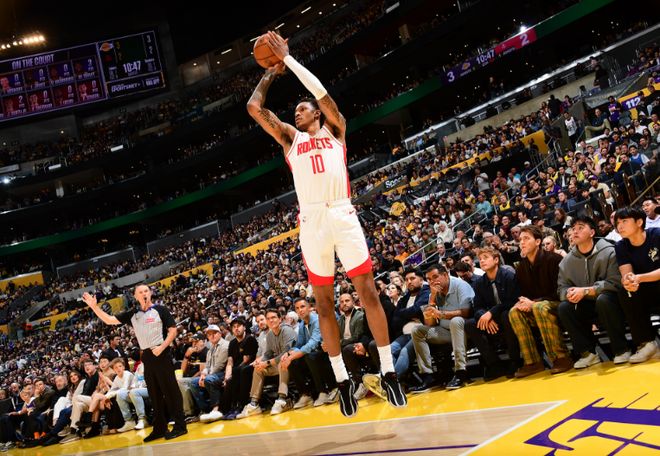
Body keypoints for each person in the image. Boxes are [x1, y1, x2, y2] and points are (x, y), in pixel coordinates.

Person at [247, 31, 405, 417]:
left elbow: (321, 94)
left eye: (302, 110)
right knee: (323, 304)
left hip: (342, 212)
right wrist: (271, 71)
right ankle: (342, 380)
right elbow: (253, 107)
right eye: (296, 112)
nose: (297, 114)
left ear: (316, 113)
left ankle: (388, 372)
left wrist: (290, 59)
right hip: (312, 219)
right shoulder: (290, 139)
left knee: (368, 292)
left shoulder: (336, 130)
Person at [82, 287, 187, 442]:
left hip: (161, 353)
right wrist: (94, 307)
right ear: (135, 296)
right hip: (147, 356)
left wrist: (162, 347)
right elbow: (109, 320)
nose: (144, 294)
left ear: (150, 293)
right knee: (154, 394)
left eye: (146, 291)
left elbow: (173, 331)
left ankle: (180, 426)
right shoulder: (133, 314)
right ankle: (160, 428)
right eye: (141, 292)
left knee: (170, 391)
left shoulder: (160, 310)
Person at [557, 216, 629, 368]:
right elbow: (561, 288)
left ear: (592, 232)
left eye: (580, 228)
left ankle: (621, 349)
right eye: (573, 229)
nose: (575, 232)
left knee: (604, 299)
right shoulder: (566, 261)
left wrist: (586, 291)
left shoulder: (609, 251)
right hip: (587, 305)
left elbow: (615, 282)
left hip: (612, 302)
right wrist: (569, 293)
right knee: (564, 307)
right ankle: (588, 353)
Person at [508, 225, 571, 377]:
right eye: (520, 239)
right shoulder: (521, 267)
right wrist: (522, 302)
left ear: (537, 242)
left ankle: (561, 357)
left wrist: (534, 302)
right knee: (514, 312)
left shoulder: (554, 259)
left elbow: (560, 291)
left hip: (559, 304)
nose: (522, 242)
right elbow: (522, 294)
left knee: (539, 307)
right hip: (537, 305)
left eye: (526, 238)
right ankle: (533, 362)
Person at [410, 264, 474, 392]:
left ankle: (461, 372)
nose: (432, 281)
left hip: (465, 330)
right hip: (446, 332)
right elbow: (429, 323)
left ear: (445, 275)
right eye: (429, 279)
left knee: (456, 321)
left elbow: (466, 312)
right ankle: (428, 376)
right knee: (417, 331)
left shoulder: (460, 285)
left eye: (435, 277)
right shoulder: (434, 292)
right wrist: (432, 298)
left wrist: (442, 314)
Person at [464, 247, 521, 380]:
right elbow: (477, 307)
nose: (482, 261)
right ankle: (494, 364)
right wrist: (485, 316)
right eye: (480, 259)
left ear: (496, 260)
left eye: (486, 258)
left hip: (508, 314)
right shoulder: (479, 283)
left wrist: (491, 313)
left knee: (506, 314)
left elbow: (513, 301)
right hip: (492, 320)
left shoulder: (508, 275)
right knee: (470, 324)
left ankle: (515, 361)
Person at [614, 207, 660, 363]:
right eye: (617, 223)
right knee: (625, 292)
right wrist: (628, 282)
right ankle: (647, 344)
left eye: (624, 221)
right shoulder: (621, 246)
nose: (620, 226)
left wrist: (639, 278)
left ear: (639, 222)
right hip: (645, 290)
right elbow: (626, 273)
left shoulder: (657, 235)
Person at [237, 308, 296, 418]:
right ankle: (254, 404)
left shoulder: (287, 330)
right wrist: (260, 361)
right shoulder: (270, 335)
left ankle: (282, 399)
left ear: (280, 319)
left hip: (294, 362)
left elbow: (286, 352)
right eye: (268, 318)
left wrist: (267, 362)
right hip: (277, 364)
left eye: (273, 317)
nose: (271, 320)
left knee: (283, 361)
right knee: (258, 369)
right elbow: (268, 353)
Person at [283, 298, 337, 409]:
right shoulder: (302, 324)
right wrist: (289, 353)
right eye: (297, 308)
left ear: (309, 308)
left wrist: (292, 356)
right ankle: (306, 394)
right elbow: (299, 344)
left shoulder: (317, 320)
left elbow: (313, 343)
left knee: (309, 357)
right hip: (313, 355)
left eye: (302, 307)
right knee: (293, 362)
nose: (300, 310)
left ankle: (323, 391)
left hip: (327, 352)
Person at [191, 325, 229, 423]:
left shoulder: (225, 345)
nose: (212, 336)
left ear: (220, 334)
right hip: (212, 374)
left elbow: (219, 366)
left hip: (223, 373)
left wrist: (206, 376)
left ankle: (216, 409)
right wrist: (203, 374)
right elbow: (207, 366)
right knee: (193, 383)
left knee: (209, 379)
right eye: (209, 334)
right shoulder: (210, 349)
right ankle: (205, 410)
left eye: (214, 333)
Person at [223, 318, 258, 420]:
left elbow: (246, 360)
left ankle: (242, 405)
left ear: (244, 327)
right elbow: (230, 361)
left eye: (238, 326)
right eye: (234, 327)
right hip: (237, 369)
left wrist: (234, 372)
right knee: (228, 379)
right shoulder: (232, 343)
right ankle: (228, 409)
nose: (236, 328)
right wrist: (227, 375)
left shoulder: (250, 339)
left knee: (239, 372)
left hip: (249, 367)